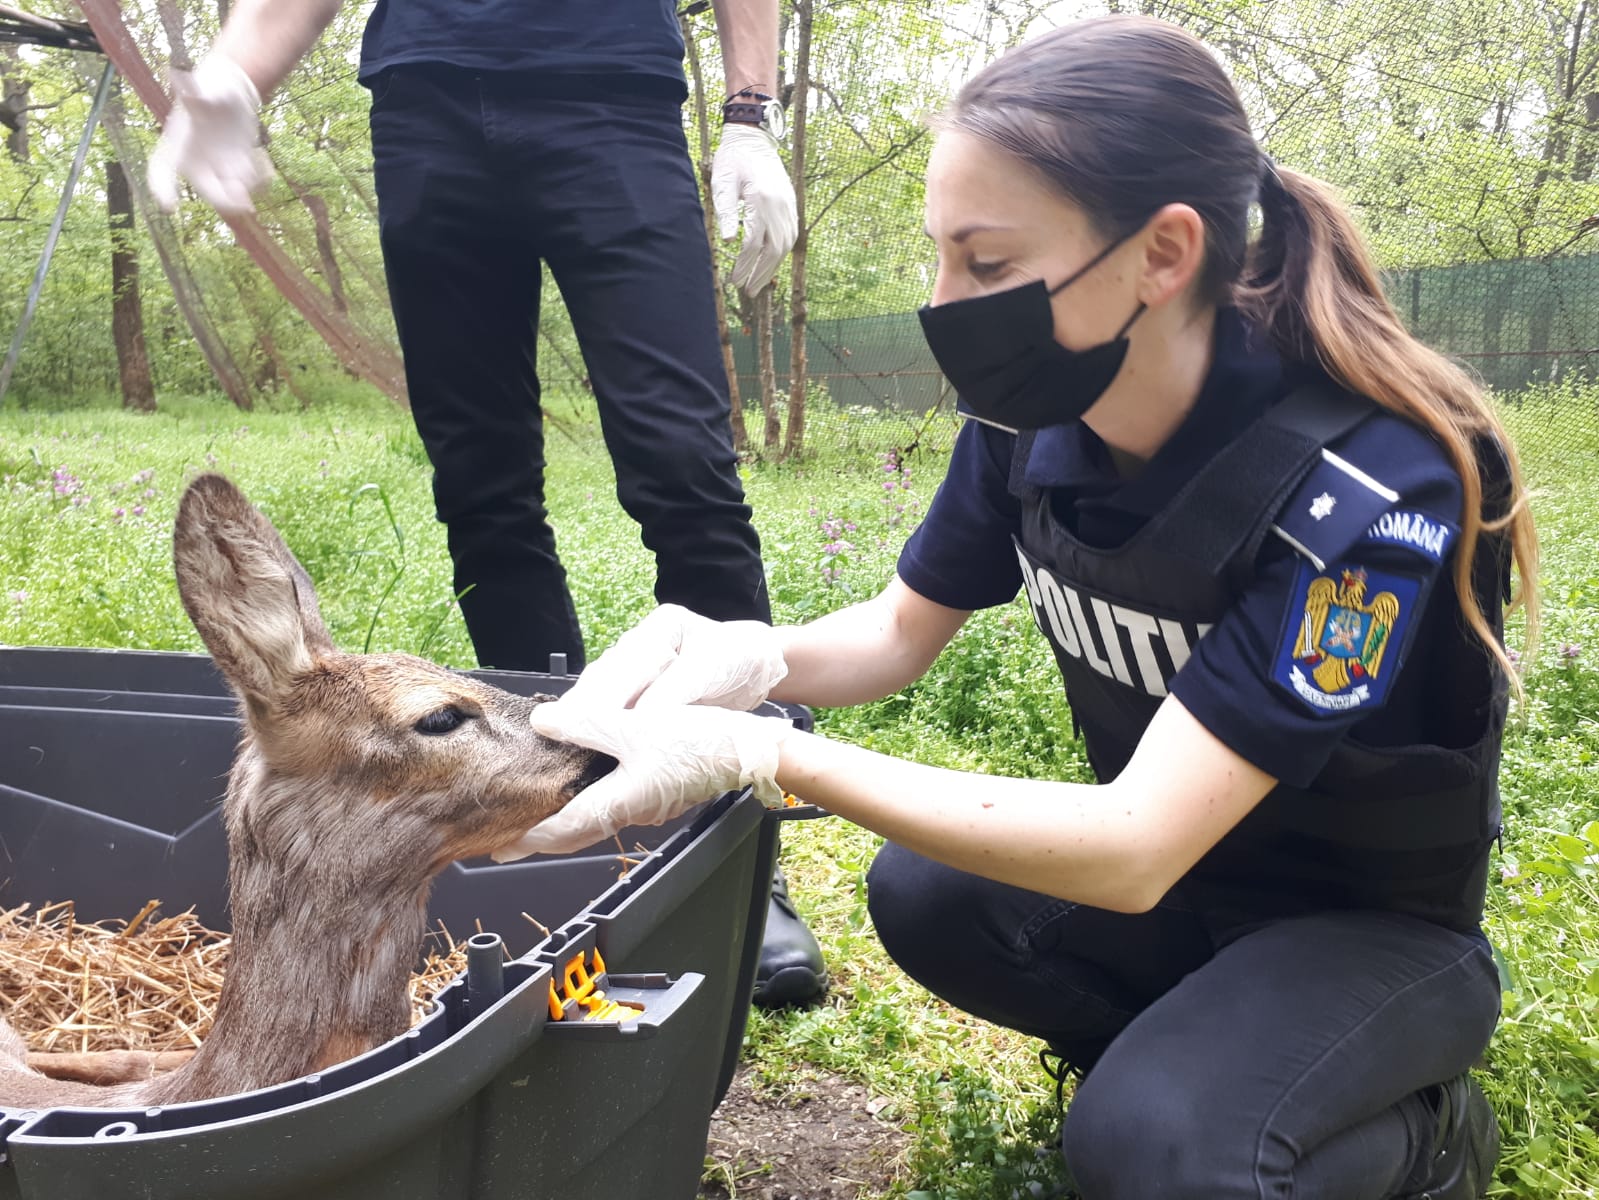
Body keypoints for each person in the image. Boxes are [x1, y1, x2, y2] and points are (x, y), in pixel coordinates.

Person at [502, 14, 1537, 1199]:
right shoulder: (1036, 424)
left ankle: (1420, 1134)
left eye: (987, 265)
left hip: (1369, 934)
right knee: (927, 894)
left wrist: (760, 753)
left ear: (1163, 252)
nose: (947, 306)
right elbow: (897, 634)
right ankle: (1191, 1063)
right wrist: (747, 658)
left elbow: (1139, 844)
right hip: (1196, 895)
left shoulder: (1365, 489)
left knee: (1154, 1149)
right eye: (941, 256)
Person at [148, 0, 828, 1008]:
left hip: (611, 93)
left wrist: (749, 111)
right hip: (428, 96)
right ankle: (564, 826)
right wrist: (240, 73)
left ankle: (732, 845)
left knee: (684, 467)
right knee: (481, 484)